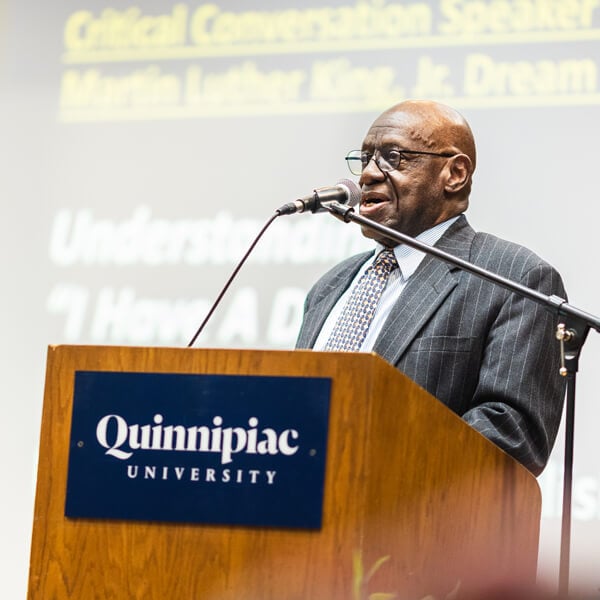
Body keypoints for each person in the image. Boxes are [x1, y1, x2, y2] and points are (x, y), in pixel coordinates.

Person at [295, 99, 566, 476]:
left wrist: (368, 467)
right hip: (300, 513)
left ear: (454, 174)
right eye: (365, 159)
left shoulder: (516, 278)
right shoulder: (329, 288)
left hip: (411, 523)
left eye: (393, 157)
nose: (368, 175)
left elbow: (510, 434)